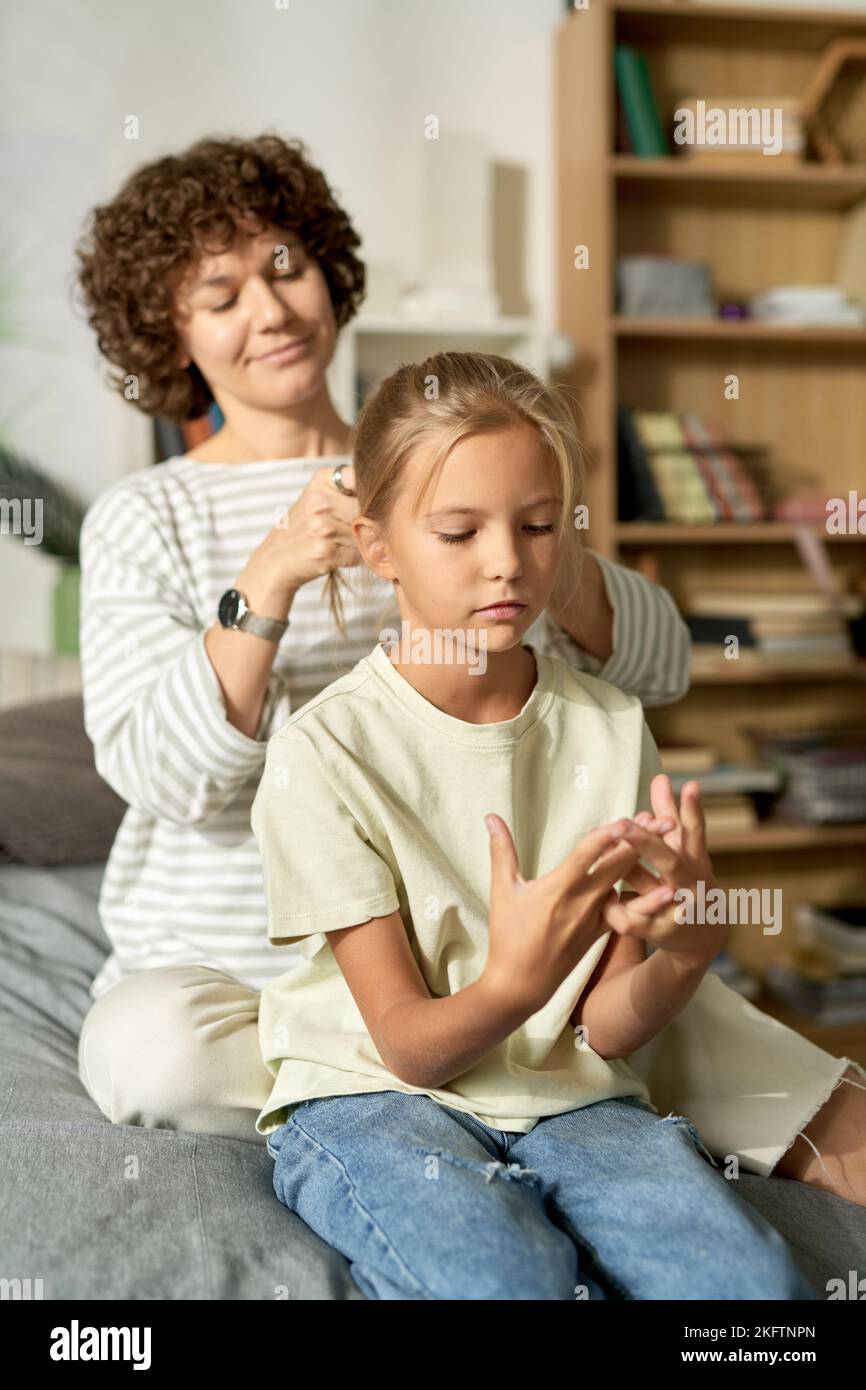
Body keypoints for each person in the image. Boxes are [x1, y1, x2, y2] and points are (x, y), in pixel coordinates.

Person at [71, 132, 865, 1206]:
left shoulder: (448, 452)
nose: (267, 310)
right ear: (169, 329)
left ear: (329, 270)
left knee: (705, 1007)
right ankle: (449, 1076)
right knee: (153, 1054)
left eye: (284, 267)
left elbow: (663, 661)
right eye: (218, 295)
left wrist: (504, 532)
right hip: (247, 966)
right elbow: (165, 778)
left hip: (494, 940)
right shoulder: (141, 517)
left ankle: (478, 1057)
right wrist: (268, 579)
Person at [252, 348, 818, 1299]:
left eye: (539, 525)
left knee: (752, 1296)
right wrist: (513, 981)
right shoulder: (324, 753)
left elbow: (602, 1028)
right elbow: (408, 1044)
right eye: (459, 532)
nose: (508, 561)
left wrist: (683, 954)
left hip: (572, 1102)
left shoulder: (610, 725)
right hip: (377, 1097)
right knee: (505, 1281)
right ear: (379, 546)